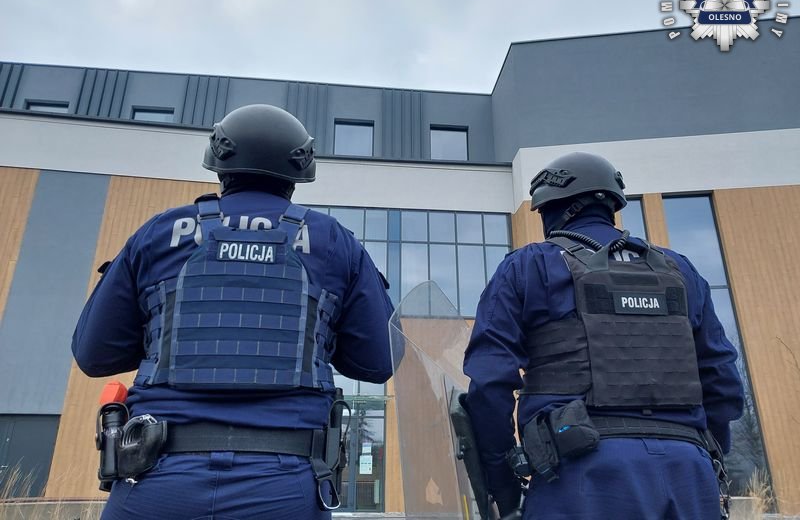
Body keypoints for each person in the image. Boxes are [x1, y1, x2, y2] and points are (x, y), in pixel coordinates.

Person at [73, 104, 395, 520]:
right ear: (298, 174)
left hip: (154, 481)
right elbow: (378, 362)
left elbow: (95, 354)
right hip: (285, 488)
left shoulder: (158, 233)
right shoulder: (334, 241)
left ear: (219, 166)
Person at [463, 152, 744, 520]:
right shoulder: (682, 272)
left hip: (581, 476)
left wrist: (503, 486)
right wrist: (706, 459)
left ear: (552, 209)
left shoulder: (528, 265)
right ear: (612, 205)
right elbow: (722, 382)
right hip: (688, 477)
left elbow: (489, 384)